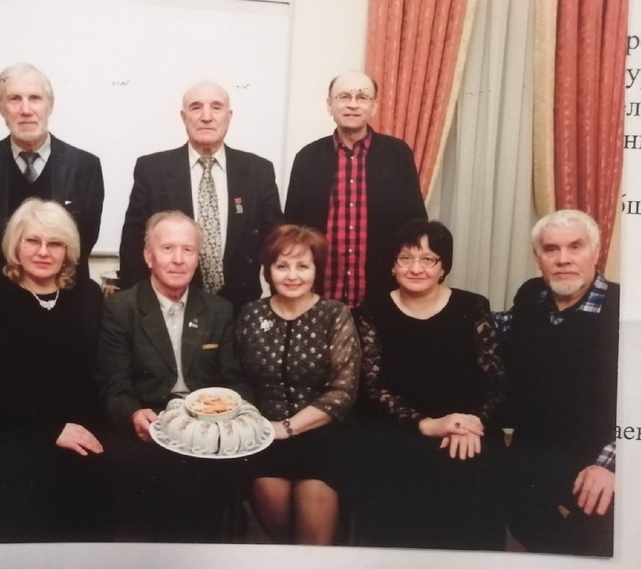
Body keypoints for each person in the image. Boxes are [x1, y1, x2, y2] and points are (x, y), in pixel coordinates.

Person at [0, 199, 108, 543]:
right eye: (33, 241)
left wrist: (79, 426)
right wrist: (51, 429)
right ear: (16, 245)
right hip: (15, 429)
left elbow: (96, 372)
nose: (43, 252)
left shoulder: (88, 295)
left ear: (68, 251)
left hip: (80, 424)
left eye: (55, 243)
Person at [352, 219, 505, 550]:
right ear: (393, 266)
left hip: (466, 427)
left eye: (428, 259)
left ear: (443, 267)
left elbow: (495, 380)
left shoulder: (472, 306)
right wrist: (426, 425)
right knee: (396, 474)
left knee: (474, 472)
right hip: (399, 428)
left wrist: (471, 422)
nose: (415, 268)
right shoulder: (371, 311)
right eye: (405, 258)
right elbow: (372, 386)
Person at [98, 210, 250, 542]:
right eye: (167, 248)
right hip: (149, 424)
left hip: (206, 427)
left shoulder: (219, 310)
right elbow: (115, 384)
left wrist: (225, 417)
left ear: (198, 257)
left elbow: (233, 379)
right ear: (148, 255)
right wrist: (133, 414)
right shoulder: (121, 308)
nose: (178, 259)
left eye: (188, 250)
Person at [498, 209, 618, 557]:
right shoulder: (532, 296)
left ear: (596, 251)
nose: (563, 259)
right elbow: (499, 328)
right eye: (551, 249)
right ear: (539, 259)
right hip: (530, 460)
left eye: (575, 247)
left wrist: (611, 465)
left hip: (595, 465)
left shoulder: (626, 309)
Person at [235, 224, 360, 545]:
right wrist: (260, 427)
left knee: (312, 543)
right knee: (278, 522)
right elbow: (237, 379)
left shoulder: (335, 314)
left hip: (321, 435)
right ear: (268, 271)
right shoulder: (251, 314)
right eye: (282, 266)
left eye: (302, 266)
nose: (292, 276)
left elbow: (343, 391)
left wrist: (287, 428)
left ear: (316, 270)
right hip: (264, 437)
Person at [118, 80, 282, 312]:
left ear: (229, 116)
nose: (206, 117)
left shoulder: (258, 171)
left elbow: (276, 245)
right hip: (170, 307)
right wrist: (139, 311)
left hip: (242, 309)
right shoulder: (152, 170)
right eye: (196, 107)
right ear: (183, 117)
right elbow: (133, 246)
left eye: (216, 107)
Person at [0, 63, 104, 301]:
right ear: (1, 108)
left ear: (50, 105)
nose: (26, 110)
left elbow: (84, 240)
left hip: (67, 301)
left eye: (35, 98)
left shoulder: (85, 167)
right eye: (15, 99)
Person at [284, 70, 426, 307]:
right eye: (344, 97)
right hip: (318, 296)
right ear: (329, 105)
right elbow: (292, 229)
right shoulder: (307, 158)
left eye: (362, 97)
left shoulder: (398, 154)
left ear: (374, 106)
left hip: (383, 296)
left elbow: (416, 225)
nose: (352, 104)